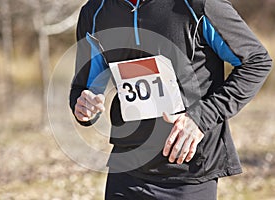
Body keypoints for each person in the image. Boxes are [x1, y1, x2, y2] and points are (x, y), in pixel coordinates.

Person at [69, 0, 272, 199]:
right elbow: (84, 88)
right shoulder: (95, 11)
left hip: (189, 169)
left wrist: (202, 118)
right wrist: (84, 107)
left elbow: (256, 61)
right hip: (127, 168)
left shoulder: (199, 5)